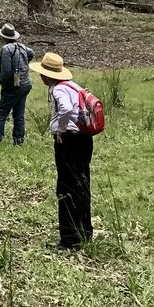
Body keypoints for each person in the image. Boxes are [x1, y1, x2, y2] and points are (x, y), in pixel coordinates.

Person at [29, 52, 95, 250]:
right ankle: (85, 231)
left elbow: (65, 109)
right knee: (82, 182)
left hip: (69, 141)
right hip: (84, 139)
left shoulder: (58, 90)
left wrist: (59, 129)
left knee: (66, 186)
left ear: (47, 75)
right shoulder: (73, 86)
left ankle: (69, 237)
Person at [0, 23, 35, 145]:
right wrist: (24, 65)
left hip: (13, 87)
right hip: (25, 84)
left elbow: (5, 71)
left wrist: (5, 84)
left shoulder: (6, 49)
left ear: (4, 37)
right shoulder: (22, 46)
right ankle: (18, 140)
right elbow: (31, 53)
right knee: (19, 114)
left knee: (0, 113)